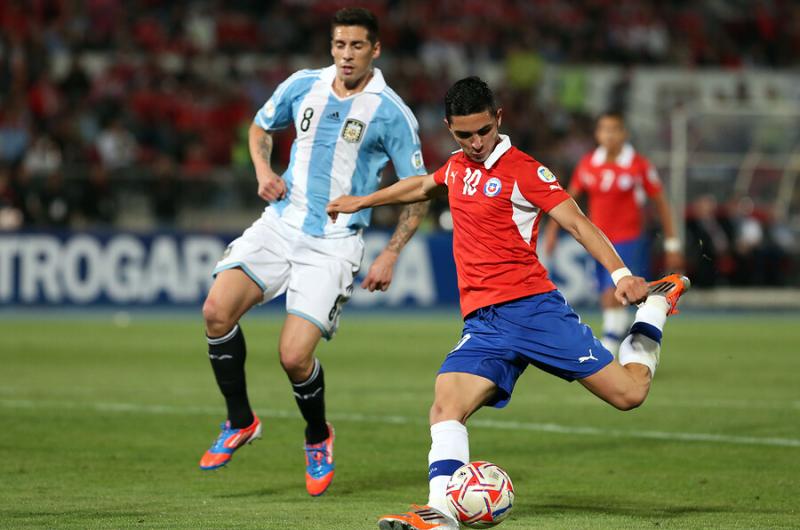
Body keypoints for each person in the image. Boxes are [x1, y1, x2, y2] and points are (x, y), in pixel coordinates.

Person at [327, 77, 690, 529]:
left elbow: (577, 222)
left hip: (534, 310)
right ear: (449, 129)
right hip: (484, 324)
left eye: (484, 130)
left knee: (630, 394)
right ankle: (440, 512)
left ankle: (654, 308)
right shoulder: (457, 167)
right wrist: (363, 201)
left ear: (498, 118)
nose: (476, 143)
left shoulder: (525, 171)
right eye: (465, 134)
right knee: (446, 406)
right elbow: (421, 185)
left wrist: (622, 275)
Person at [198, 7, 429, 498]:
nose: (347, 55)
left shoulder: (391, 111)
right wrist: (263, 172)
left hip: (333, 242)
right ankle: (240, 420)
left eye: (357, 46)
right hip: (280, 223)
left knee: (293, 356)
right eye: (340, 45)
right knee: (216, 311)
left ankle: (318, 435)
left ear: (375, 50)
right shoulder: (303, 84)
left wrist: (391, 253)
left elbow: (418, 189)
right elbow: (260, 128)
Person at [543, 111, 684, 355]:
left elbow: (661, 204)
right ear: (597, 134)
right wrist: (553, 231)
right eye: (604, 129)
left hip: (629, 240)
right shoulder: (588, 164)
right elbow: (566, 200)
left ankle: (608, 350)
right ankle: (627, 335)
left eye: (614, 129)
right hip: (597, 242)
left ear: (624, 133)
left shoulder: (638, 165)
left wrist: (672, 244)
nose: (609, 135)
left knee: (612, 294)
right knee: (606, 296)